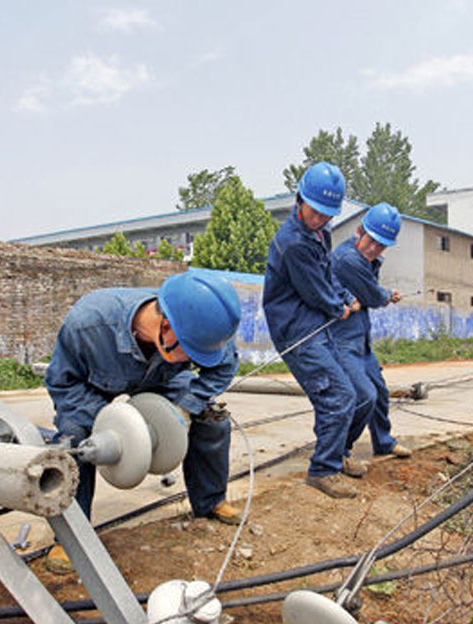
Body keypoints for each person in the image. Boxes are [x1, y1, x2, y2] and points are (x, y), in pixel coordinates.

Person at [44, 270, 242, 573]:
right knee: (75, 441)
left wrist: (187, 408)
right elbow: (62, 382)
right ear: (166, 327)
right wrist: (106, 423)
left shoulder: (201, 325)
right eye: (192, 353)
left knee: (213, 420)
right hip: (93, 385)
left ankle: (210, 501)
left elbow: (223, 367)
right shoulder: (88, 324)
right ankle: (70, 536)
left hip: (164, 378)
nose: (197, 358)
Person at [263, 161, 366, 500]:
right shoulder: (293, 242)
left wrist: (346, 296)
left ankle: (336, 456)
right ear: (299, 199)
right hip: (296, 331)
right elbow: (315, 291)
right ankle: (323, 470)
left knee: (351, 393)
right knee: (338, 396)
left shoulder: (318, 234)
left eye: (327, 213)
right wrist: (339, 307)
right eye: (316, 211)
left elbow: (328, 276)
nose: (321, 218)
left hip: (315, 325)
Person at [331, 202, 412, 466]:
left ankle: (383, 441)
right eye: (372, 241)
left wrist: (380, 295)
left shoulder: (365, 260)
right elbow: (372, 295)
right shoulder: (348, 260)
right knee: (364, 395)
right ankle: (339, 451)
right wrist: (386, 296)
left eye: (381, 245)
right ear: (358, 231)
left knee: (379, 391)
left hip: (360, 339)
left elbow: (368, 293)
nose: (375, 249)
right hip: (342, 341)